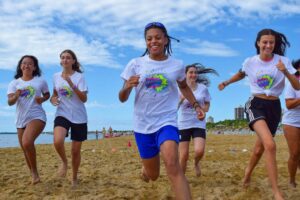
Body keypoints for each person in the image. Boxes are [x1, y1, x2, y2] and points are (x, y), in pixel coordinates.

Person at [119, 22, 205, 200]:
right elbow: (122, 97)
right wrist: (127, 86)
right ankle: (146, 167)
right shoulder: (135, 64)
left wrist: (196, 105)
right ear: (145, 42)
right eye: (149, 39)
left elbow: (184, 87)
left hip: (167, 121)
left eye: (158, 37)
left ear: (165, 40)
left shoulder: (177, 65)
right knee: (153, 175)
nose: (153, 41)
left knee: (173, 166)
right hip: (142, 124)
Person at [218, 29, 300, 200]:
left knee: (258, 149)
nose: (268, 45)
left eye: (271, 42)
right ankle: (277, 192)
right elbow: (241, 74)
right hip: (256, 104)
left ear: (275, 44)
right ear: (258, 43)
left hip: (274, 107)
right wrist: (226, 82)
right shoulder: (250, 62)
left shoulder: (283, 61)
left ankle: (247, 172)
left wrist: (285, 71)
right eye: (265, 42)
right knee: (270, 145)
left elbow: (297, 86)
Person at [7, 55, 50, 184]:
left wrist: (42, 99)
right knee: (25, 148)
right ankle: (33, 174)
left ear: (34, 67)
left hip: (37, 116)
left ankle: (35, 173)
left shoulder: (40, 81)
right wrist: (16, 95)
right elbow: (10, 102)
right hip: (20, 119)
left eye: (30, 63)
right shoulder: (14, 83)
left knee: (26, 142)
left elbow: (47, 94)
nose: (27, 65)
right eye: (24, 63)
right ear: (20, 66)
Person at [50, 49, 88, 187]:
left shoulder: (79, 77)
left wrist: (72, 84)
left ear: (73, 61)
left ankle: (74, 178)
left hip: (79, 117)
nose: (65, 60)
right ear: (60, 61)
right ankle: (64, 162)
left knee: (75, 151)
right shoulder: (55, 76)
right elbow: (54, 95)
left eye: (68, 57)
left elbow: (84, 99)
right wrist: (53, 100)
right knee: (58, 141)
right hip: (62, 113)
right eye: (63, 57)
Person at [178, 63, 217, 177]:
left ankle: (196, 163)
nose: (193, 75)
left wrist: (203, 111)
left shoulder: (203, 88)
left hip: (198, 123)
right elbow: (174, 107)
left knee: (199, 151)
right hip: (183, 124)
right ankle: (181, 179)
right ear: (185, 75)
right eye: (191, 72)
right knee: (183, 155)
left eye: (195, 73)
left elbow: (207, 104)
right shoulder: (180, 88)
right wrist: (181, 99)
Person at [282, 59, 300, 188]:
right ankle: (292, 180)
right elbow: (288, 104)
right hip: (292, 122)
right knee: (295, 153)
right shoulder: (293, 83)